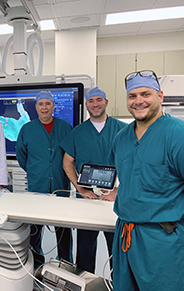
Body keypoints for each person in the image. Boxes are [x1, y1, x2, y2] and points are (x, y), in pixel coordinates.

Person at [109, 70, 184, 290]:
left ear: (160, 96)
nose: (138, 101)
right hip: (125, 236)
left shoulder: (176, 134)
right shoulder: (121, 138)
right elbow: (130, 177)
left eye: (145, 94)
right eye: (132, 96)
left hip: (162, 241)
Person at [60, 87, 126, 273]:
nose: (95, 104)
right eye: (91, 101)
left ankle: (117, 285)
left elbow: (135, 163)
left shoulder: (123, 130)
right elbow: (67, 163)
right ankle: (85, 283)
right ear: (86, 105)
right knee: (85, 251)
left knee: (117, 251)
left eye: (99, 100)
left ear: (106, 102)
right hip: (87, 201)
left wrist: (117, 192)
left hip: (114, 201)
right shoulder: (78, 132)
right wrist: (80, 190)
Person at [16, 90, 73, 268]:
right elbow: (21, 156)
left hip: (60, 185)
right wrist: (36, 170)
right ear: (36, 107)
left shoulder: (65, 127)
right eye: (41, 104)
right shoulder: (27, 129)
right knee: (34, 232)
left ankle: (65, 264)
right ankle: (36, 264)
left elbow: (71, 155)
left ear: (53, 106)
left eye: (48, 103)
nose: (44, 107)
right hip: (37, 187)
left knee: (63, 232)